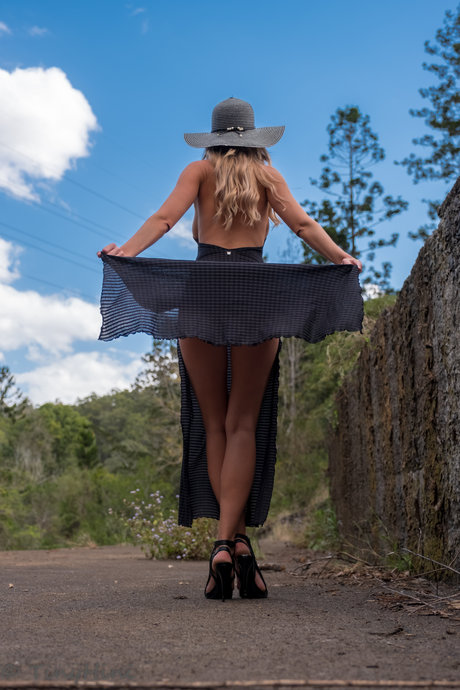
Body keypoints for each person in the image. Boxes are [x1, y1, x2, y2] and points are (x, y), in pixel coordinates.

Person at [98, 97, 363, 602]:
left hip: (203, 289)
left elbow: (164, 219)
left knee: (214, 423)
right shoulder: (268, 177)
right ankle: (234, 542)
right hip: (254, 293)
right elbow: (304, 226)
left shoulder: (198, 172)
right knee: (243, 423)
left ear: (213, 138)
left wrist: (126, 252)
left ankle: (225, 546)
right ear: (255, 138)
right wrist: (340, 256)